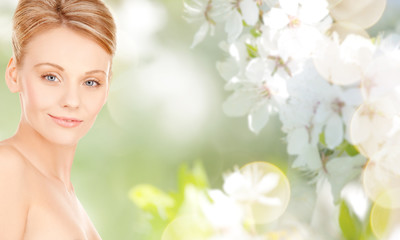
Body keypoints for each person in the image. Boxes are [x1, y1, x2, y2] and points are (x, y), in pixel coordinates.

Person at [0, 0, 116, 239]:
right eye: (51, 77)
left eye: (90, 82)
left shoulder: (66, 194)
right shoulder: (7, 168)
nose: (72, 101)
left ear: (107, 87)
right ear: (14, 76)